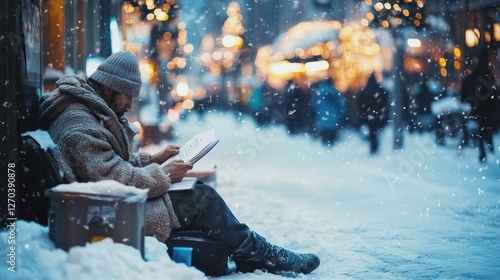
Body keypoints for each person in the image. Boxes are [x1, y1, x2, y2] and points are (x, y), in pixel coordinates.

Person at [38, 51, 320, 275]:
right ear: (111, 89)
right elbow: (112, 182)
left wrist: (151, 159)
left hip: (103, 205)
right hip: (102, 214)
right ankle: (265, 255)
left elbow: (105, 164)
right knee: (200, 197)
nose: (130, 105)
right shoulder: (80, 124)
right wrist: (163, 174)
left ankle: (250, 252)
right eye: (128, 96)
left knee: (196, 191)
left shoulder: (88, 112)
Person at [460, 45, 500, 162]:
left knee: (480, 129)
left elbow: (464, 95)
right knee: (485, 128)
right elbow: (494, 95)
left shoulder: (472, 76)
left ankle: (482, 148)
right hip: (486, 109)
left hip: (475, 108)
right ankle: (487, 147)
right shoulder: (488, 76)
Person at [358, 73, 389, 154]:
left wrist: (363, 113)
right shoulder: (380, 90)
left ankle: (373, 146)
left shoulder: (365, 91)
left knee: (372, 131)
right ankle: (375, 146)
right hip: (377, 115)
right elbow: (384, 103)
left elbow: (360, 104)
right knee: (376, 131)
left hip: (369, 115)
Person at [310, 77, 346, 145]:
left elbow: (313, 105)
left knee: (324, 140)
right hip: (334, 119)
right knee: (332, 140)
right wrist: (342, 115)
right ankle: (331, 148)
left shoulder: (319, 92)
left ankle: (325, 147)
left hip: (321, 119)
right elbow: (342, 105)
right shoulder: (335, 92)